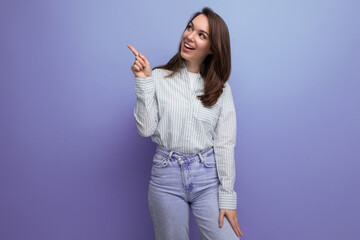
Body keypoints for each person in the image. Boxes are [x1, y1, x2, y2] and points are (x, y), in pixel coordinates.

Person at [128, 7, 243, 240]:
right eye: (190, 27)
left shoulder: (221, 90)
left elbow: (225, 144)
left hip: (207, 179)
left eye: (202, 34)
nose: (190, 36)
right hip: (166, 177)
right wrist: (143, 84)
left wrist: (228, 198)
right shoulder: (158, 77)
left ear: (213, 48)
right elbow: (146, 129)